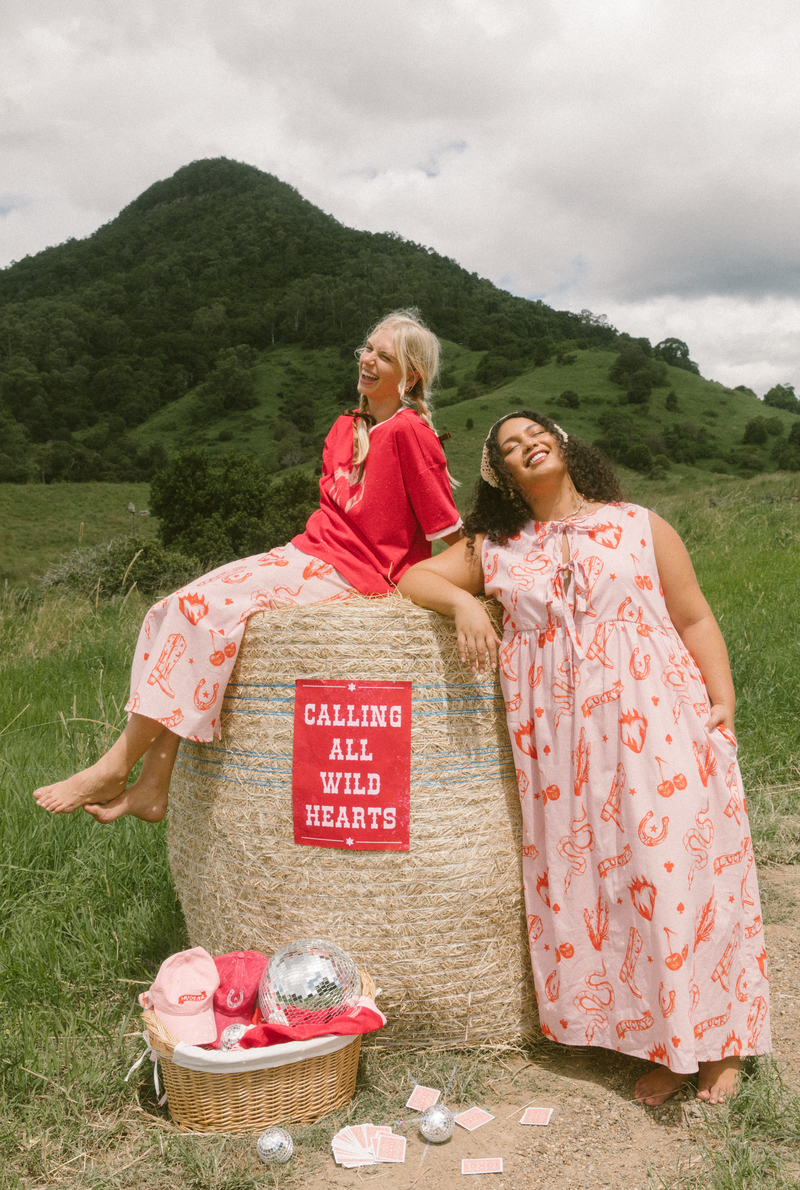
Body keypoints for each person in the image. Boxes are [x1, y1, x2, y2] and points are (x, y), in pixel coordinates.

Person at [398, 410, 771, 1107]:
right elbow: (414, 578)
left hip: (656, 718)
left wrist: (722, 700)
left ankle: (721, 1042)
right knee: (609, 886)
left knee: (679, 874)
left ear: (563, 444)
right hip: (562, 747)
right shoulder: (499, 546)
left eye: (533, 433)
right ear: (500, 474)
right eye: (506, 446)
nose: (524, 444)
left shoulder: (637, 523)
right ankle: (661, 1041)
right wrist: (465, 604)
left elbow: (692, 615)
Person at [34, 309, 462, 824]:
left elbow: (446, 531)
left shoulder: (411, 433)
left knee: (202, 612)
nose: (368, 360)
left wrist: (461, 597)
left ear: (411, 374)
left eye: (384, 356)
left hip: (354, 574)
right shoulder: (346, 426)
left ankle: (114, 765)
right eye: (366, 349)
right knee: (173, 607)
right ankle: (151, 784)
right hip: (307, 553)